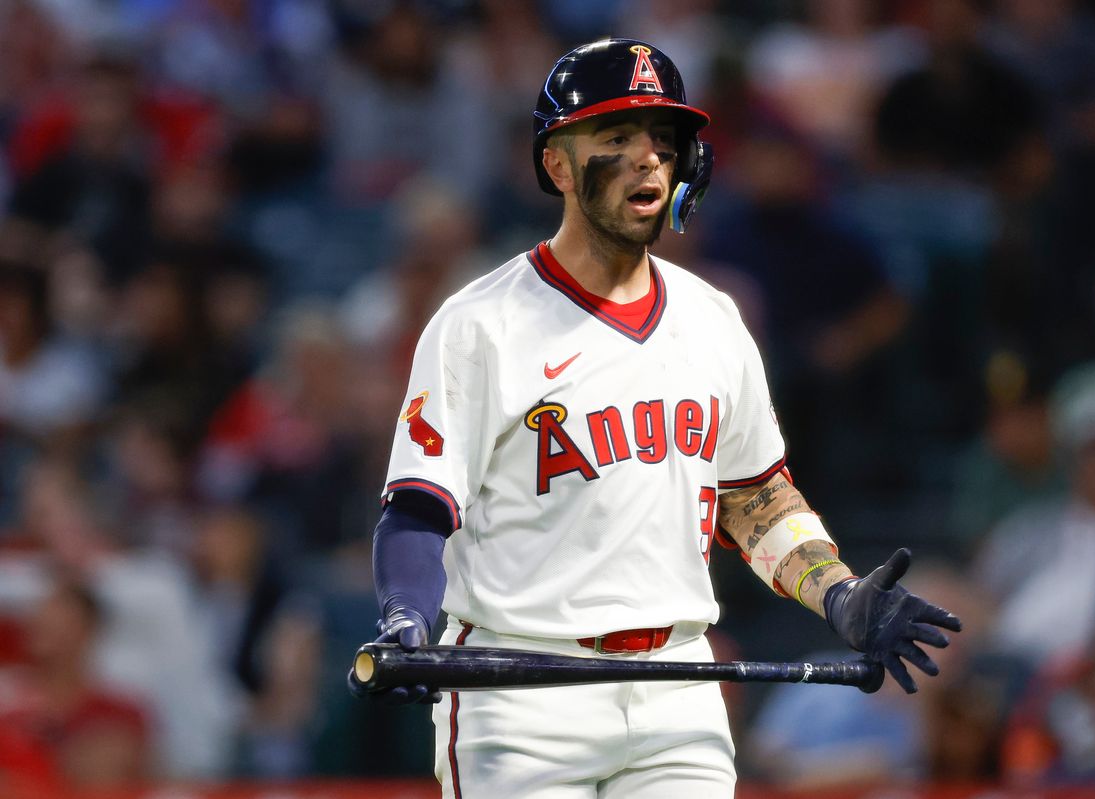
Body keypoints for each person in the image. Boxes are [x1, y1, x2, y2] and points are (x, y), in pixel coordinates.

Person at [351, 38, 962, 798]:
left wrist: (837, 591)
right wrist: (407, 613)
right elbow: (417, 507)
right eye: (616, 138)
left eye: (662, 140)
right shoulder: (480, 324)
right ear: (558, 167)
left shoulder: (713, 318)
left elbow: (754, 496)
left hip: (680, 687)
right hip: (523, 691)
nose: (648, 159)